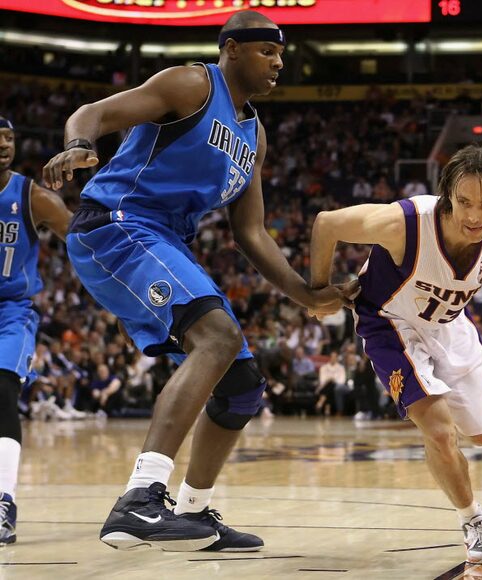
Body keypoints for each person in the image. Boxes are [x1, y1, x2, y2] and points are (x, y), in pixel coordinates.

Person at [41, 11, 351, 552]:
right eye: (266, 52)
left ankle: (194, 514)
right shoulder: (191, 83)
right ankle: (139, 499)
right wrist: (77, 144)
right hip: (117, 222)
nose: (279, 62)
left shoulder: (252, 133)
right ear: (231, 49)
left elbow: (251, 233)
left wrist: (305, 293)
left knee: (242, 384)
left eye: (282, 54)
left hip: (163, 239)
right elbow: (93, 112)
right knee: (218, 338)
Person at [308, 145, 482, 565]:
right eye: (463, 202)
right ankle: (474, 522)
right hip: (389, 322)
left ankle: (444, 441)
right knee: (440, 430)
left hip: (449, 326)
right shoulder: (405, 224)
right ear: (447, 197)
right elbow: (327, 223)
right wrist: (319, 291)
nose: (474, 215)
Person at [0, 116, 73, 544]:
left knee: (3, 388)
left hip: (10, 310)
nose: (5, 145)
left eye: (9, 137)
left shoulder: (32, 197)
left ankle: (3, 499)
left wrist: (122, 302)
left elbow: (81, 245)